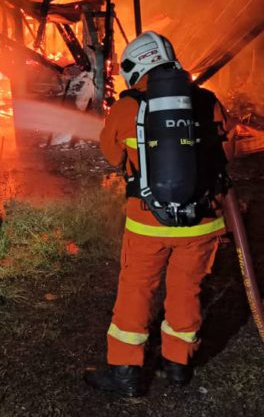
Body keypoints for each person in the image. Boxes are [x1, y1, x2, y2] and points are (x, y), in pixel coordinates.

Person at [84, 31, 232, 397]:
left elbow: (112, 155)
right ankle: (178, 366)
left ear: (136, 67)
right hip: (202, 222)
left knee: (136, 291)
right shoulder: (208, 101)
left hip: (148, 222)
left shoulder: (127, 107)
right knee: (187, 290)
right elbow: (230, 153)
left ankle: (125, 373)